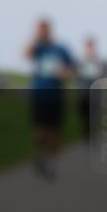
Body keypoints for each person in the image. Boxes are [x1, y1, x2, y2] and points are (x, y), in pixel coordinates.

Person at [24, 19, 76, 181]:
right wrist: (35, 39)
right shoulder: (38, 48)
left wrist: (65, 73)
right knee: (39, 132)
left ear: (49, 31)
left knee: (54, 132)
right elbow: (26, 54)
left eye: (44, 30)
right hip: (39, 95)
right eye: (39, 30)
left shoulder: (61, 49)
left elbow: (73, 70)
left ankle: (51, 163)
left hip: (56, 96)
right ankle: (41, 156)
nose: (42, 33)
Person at [76, 36, 105, 142]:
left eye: (91, 46)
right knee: (84, 114)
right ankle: (86, 135)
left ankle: (93, 134)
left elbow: (101, 76)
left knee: (94, 114)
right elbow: (77, 75)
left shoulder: (97, 61)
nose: (90, 49)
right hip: (84, 91)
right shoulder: (81, 61)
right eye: (88, 47)